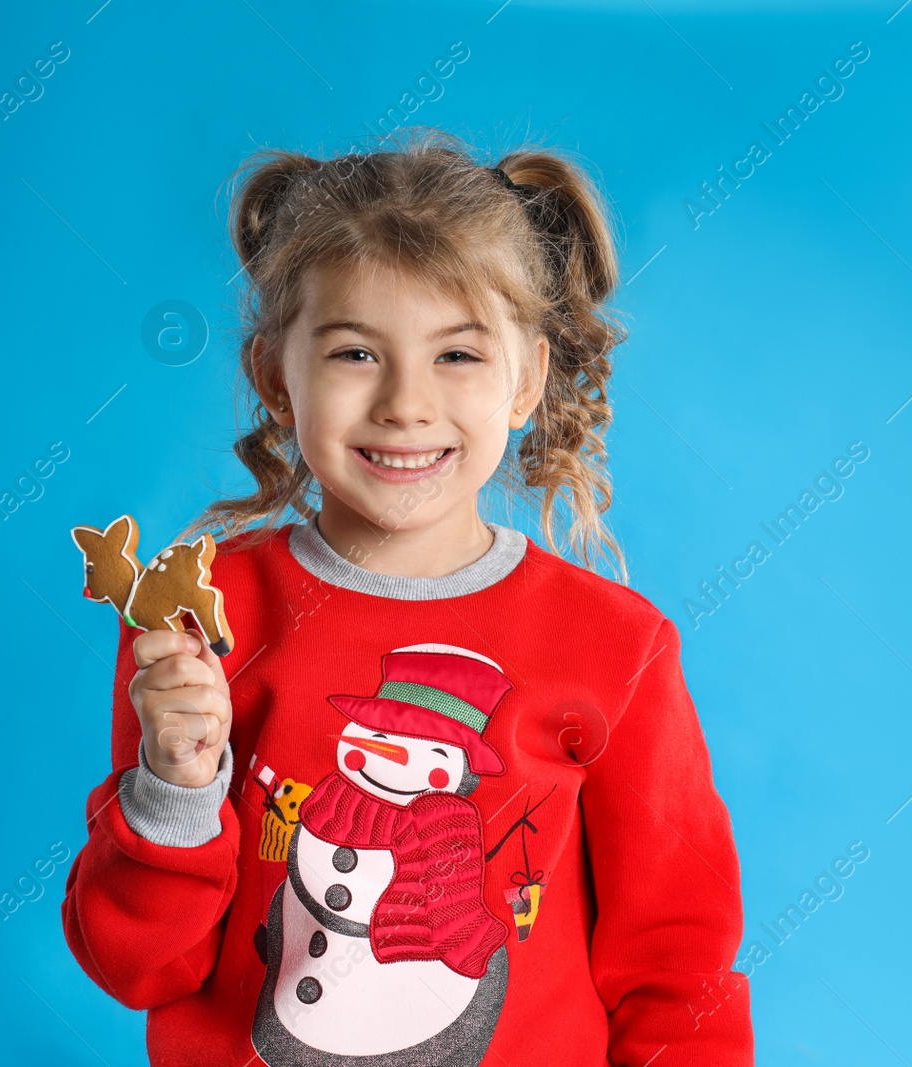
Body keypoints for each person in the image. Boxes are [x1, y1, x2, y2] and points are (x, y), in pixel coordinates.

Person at [61, 127, 754, 1066]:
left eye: (458, 357)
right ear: (276, 377)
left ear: (527, 380)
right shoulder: (203, 621)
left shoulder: (615, 648)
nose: (405, 404)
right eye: (355, 353)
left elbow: (678, 971)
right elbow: (138, 967)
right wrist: (176, 790)